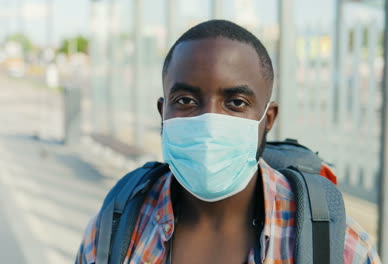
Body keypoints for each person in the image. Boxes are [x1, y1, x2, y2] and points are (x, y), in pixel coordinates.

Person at [76, 20, 380, 264]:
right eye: (185, 100)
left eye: (235, 102)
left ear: (268, 119)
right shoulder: (114, 231)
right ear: (163, 112)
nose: (210, 120)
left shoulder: (339, 247)